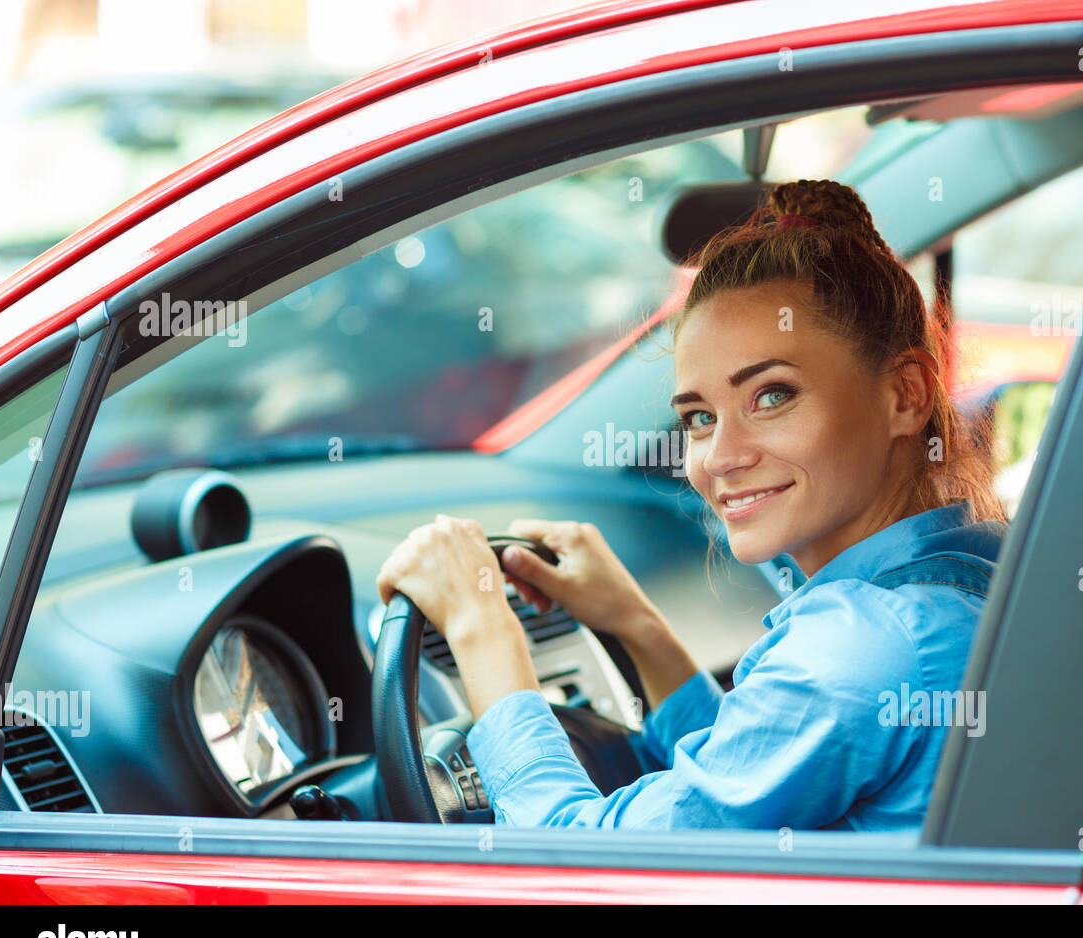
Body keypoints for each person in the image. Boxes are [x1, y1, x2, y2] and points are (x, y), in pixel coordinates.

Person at [376, 178, 1007, 830]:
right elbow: (754, 781)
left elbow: (579, 871)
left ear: (905, 395)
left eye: (771, 396)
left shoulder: (862, 647)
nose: (719, 457)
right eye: (700, 417)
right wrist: (637, 626)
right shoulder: (965, 576)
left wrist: (483, 631)